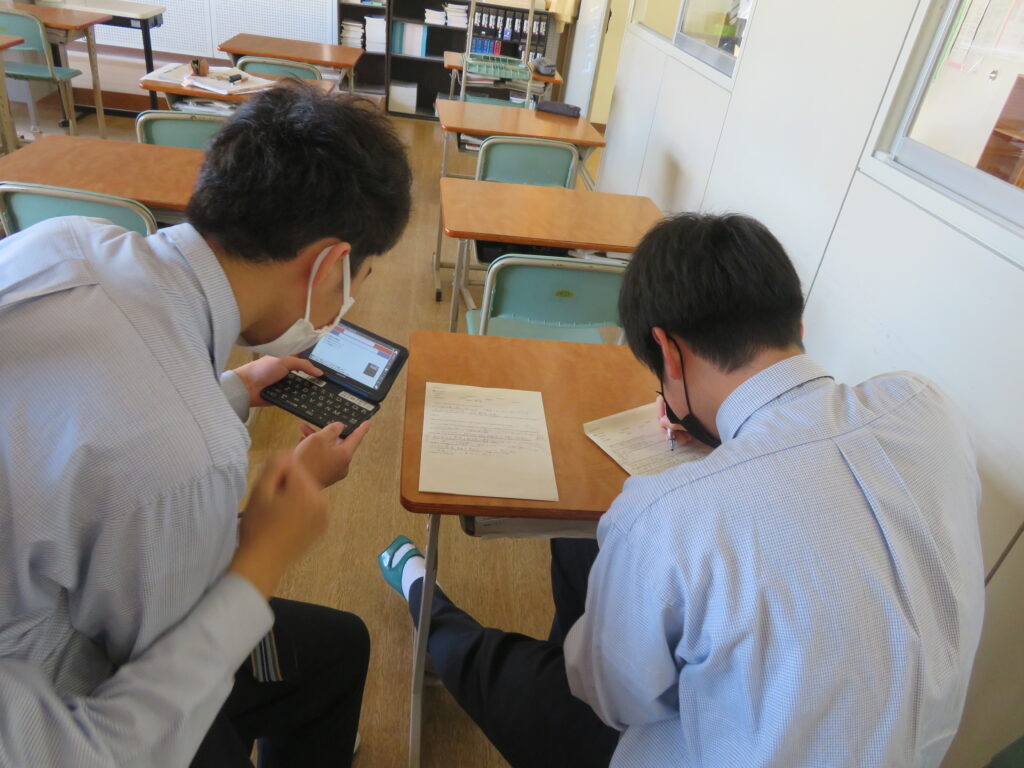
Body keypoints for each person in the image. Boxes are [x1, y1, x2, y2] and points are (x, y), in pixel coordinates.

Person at [379, 213, 985, 767]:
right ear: (796, 325)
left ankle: (428, 605)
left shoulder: (662, 514)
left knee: (514, 673)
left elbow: (610, 700)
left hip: (665, 741)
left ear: (668, 352)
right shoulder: (924, 407)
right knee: (580, 548)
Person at [0, 81, 412, 767]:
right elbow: (139, 734)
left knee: (335, 646)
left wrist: (233, 390)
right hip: (61, 705)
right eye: (357, 281)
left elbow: (85, 427)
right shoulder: (193, 457)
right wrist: (265, 550)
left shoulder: (65, 240)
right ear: (329, 264)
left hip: (39, 604)